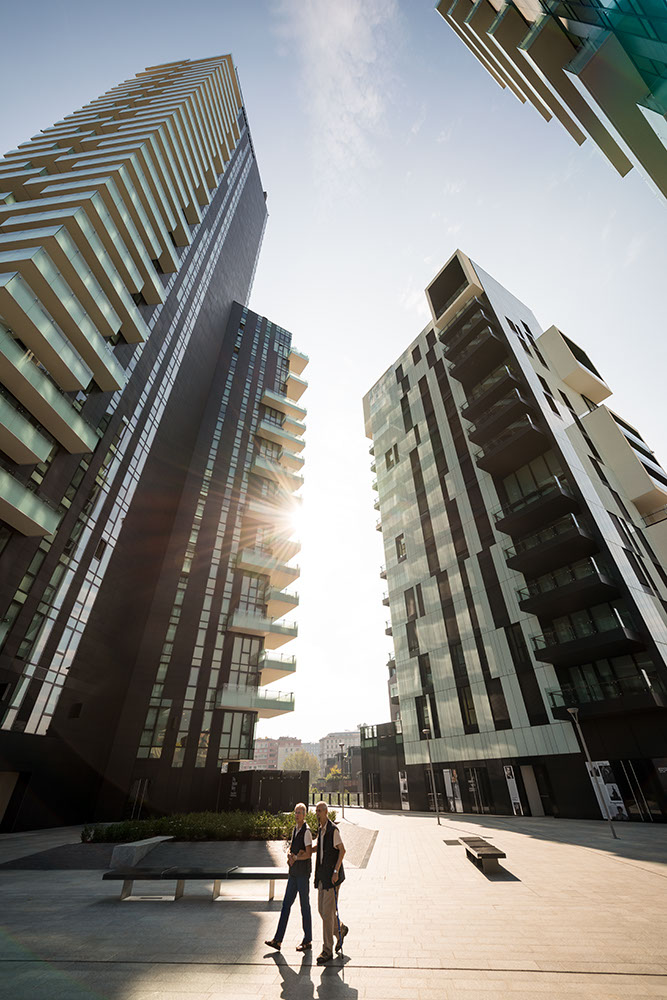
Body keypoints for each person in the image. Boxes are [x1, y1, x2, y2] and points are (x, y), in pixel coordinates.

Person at [265, 802, 313, 952]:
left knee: (304, 906)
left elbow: (309, 853)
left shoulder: (307, 832)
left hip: (303, 875)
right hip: (293, 874)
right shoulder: (295, 829)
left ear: (304, 815)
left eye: (299, 812)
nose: (296, 815)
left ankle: (307, 940)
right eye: (295, 812)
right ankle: (278, 940)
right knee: (286, 905)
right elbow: (292, 847)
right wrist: (289, 856)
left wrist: (296, 858)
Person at [313, 800, 348, 964]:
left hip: (332, 878)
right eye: (316, 811)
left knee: (327, 914)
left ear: (326, 812)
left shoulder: (333, 830)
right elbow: (320, 847)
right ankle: (340, 929)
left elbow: (342, 850)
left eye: (319, 811)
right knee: (322, 911)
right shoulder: (320, 830)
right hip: (321, 876)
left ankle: (327, 950)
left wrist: (335, 871)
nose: (317, 813)